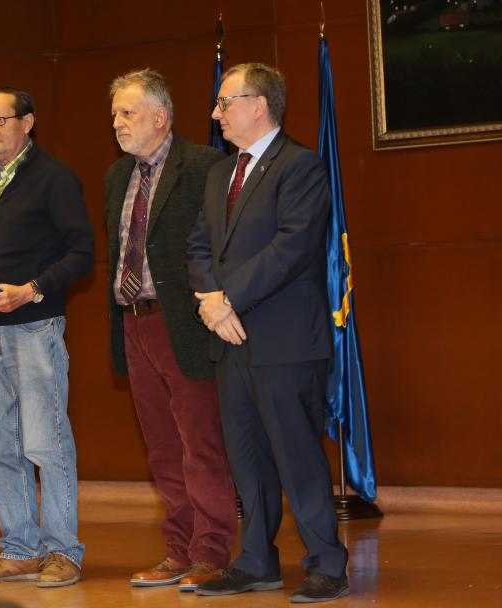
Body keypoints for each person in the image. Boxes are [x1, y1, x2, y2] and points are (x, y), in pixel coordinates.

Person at [187, 63, 350, 603]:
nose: (216, 114)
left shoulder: (301, 167)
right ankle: (257, 560)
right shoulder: (218, 175)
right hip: (228, 338)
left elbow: (293, 247)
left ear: (259, 105)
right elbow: (199, 248)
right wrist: (213, 305)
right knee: (246, 457)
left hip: (283, 341)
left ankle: (326, 563)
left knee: (297, 454)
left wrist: (226, 298)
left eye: (224, 103)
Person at [0, 88, 94, 588]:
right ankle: (19, 548)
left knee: (46, 444)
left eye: (1, 119)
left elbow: (81, 253)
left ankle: (62, 552)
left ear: (27, 122)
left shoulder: (54, 178)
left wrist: (32, 290)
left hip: (34, 328)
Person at [105, 68, 238, 592]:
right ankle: (178, 550)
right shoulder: (116, 176)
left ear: (160, 117)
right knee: (161, 448)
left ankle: (211, 551)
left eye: (127, 112)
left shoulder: (205, 166)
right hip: (133, 325)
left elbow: (218, 250)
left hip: (184, 325)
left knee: (199, 444)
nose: (116, 122)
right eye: (114, 113)